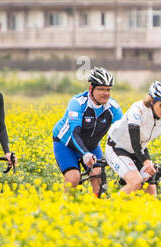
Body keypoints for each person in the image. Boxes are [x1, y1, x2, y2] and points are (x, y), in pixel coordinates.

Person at [104, 80, 161, 194]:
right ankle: (109, 208)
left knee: (151, 189)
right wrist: (146, 162)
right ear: (152, 101)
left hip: (140, 149)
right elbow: (134, 140)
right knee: (135, 182)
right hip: (118, 147)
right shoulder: (138, 110)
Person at [52, 66, 122, 195]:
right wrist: (85, 154)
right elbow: (75, 133)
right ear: (91, 89)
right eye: (101, 89)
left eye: (108, 89)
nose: (105, 93)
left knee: (98, 176)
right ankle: (66, 209)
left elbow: (123, 134)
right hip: (66, 144)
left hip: (91, 146)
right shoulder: (78, 103)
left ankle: (97, 208)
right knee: (73, 177)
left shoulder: (113, 108)